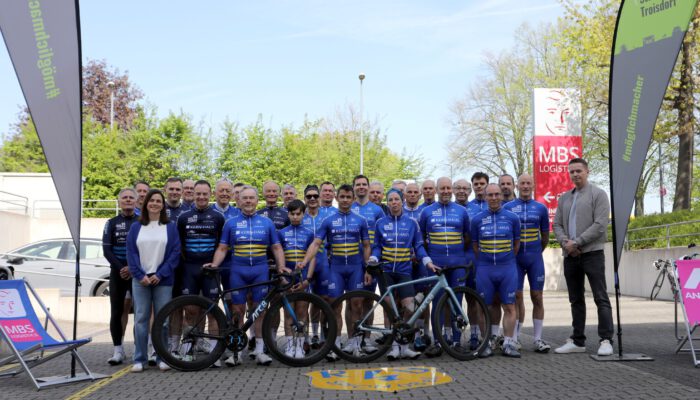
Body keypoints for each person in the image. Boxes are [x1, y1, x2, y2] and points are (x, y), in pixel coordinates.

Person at [208, 186, 289, 366]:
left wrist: (281, 267)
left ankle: (259, 350)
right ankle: (236, 353)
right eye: (245, 198)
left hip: (260, 271)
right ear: (239, 200)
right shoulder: (231, 223)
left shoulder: (267, 222)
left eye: (252, 198)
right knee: (237, 310)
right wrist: (215, 264)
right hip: (238, 271)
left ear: (257, 200)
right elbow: (222, 248)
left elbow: (276, 247)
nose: (248, 201)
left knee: (260, 309)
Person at [299, 184, 371, 361]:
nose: (345, 200)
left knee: (357, 305)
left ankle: (355, 344)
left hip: (355, 268)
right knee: (334, 307)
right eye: (342, 197)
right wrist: (305, 261)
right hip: (336, 269)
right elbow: (316, 243)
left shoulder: (361, 220)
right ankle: (335, 344)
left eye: (348, 197)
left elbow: (366, 246)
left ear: (353, 199)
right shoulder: (328, 220)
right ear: (337, 198)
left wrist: (368, 268)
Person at [553, 158, 613, 356]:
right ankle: (578, 341)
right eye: (572, 171)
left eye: (579, 170)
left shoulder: (599, 194)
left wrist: (577, 242)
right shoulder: (564, 198)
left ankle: (606, 340)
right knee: (575, 299)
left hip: (592, 254)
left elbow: (600, 225)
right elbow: (557, 224)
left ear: (587, 171)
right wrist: (566, 244)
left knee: (600, 297)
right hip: (570, 256)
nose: (575, 174)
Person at [370, 188, 437, 360]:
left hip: (404, 270)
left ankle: (405, 346)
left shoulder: (412, 223)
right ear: (387, 203)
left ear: (402, 201)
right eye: (390, 200)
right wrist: (373, 257)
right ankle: (393, 347)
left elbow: (419, 246)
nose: (394, 203)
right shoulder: (380, 223)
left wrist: (427, 261)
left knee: (410, 308)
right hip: (385, 271)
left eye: (397, 199)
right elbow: (376, 246)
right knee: (391, 311)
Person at [126, 189, 181, 372]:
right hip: (140, 280)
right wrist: (140, 275)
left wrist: (160, 274)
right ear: (145, 203)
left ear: (163, 205)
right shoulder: (136, 227)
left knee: (163, 320)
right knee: (140, 320)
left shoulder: (170, 227)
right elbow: (131, 253)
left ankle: (161, 357)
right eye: (152, 200)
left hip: (162, 279)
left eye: (158, 201)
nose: (155, 203)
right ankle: (139, 359)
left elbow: (175, 253)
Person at [418, 177, 471, 358]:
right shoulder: (426, 212)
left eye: (449, 188)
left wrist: (457, 254)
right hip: (436, 264)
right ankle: (438, 342)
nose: (446, 191)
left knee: (457, 302)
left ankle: (456, 341)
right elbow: (421, 238)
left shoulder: (462, 211)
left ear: (453, 190)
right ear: (437, 190)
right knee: (437, 303)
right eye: (443, 188)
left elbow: (467, 237)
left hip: (457, 263)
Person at [176, 180, 226, 365]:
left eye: (205, 194)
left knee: (212, 311)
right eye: (198, 193)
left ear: (210, 194)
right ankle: (189, 349)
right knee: (190, 311)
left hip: (210, 270)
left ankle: (214, 352)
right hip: (189, 268)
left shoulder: (218, 217)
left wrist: (215, 263)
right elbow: (179, 244)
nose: (202, 197)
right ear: (192, 194)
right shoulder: (183, 217)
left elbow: (222, 245)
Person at [471, 183, 521, 358]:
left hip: (507, 267)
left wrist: (505, 259)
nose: (493, 198)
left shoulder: (512, 218)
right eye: (490, 195)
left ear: (501, 196)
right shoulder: (476, 219)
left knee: (509, 306)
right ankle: (486, 342)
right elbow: (475, 246)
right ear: (485, 197)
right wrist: (486, 260)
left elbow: (516, 244)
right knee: (484, 306)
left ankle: (508, 343)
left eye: (496, 194)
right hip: (485, 268)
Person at [504, 174, 551, 353]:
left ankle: (538, 339)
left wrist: (536, 252)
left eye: (528, 183)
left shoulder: (541, 208)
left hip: (534, 258)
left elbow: (545, 237)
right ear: (517, 186)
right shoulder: (508, 207)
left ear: (533, 186)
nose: (525, 186)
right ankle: (515, 338)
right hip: (515, 260)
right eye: (522, 183)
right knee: (516, 297)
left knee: (537, 296)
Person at [103, 188, 138, 365]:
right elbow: (106, 250)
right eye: (125, 197)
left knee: (140, 313)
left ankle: (139, 349)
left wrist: (132, 268)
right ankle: (118, 350)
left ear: (136, 201)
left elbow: (145, 249)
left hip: (137, 272)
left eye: (131, 197)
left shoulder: (142, 222)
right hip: (117, 273)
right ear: (119, 201)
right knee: (116, 311)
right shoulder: (111, 223)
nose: (128, 200)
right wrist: (122, 268)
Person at [277, 199, 317, 358]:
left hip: (302, 277)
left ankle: (300, 347)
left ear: (303, 214)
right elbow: (278, 256)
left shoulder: (309, 233)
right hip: (287, 278)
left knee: (302, 313)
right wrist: (282, 278)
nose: (295, 217)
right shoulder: (281, 233)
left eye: (298, 214)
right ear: (288, 214)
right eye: (292, 214)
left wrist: (308, 279)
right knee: (288, 314)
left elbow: (313, 258)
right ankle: (289, 347)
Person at [301, 185, 331, 348]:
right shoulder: (299, 215)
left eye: (315, 196)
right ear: (304, 198)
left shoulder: (328, 217)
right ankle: (306, 337)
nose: (312, 199)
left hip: (323, 262)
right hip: (305, 263)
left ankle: (320, 335)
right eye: (309, 196)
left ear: (319, 198)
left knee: (323, 300)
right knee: (304, 302)